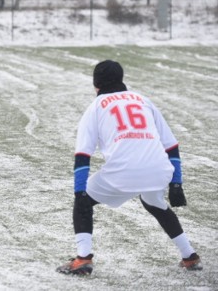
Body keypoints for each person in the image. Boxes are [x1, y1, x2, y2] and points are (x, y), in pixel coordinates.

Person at [57, 60, 202, 275]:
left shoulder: (96, 107)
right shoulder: (143, 100)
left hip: (124, 172)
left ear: (96, 83)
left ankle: (83, 258)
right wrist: (176, 183)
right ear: (121, 79)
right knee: (154, 203)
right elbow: (171, 145)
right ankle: (189, 256)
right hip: (159, 169)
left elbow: (82, 155)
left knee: (84, 201)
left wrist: (79, 191)